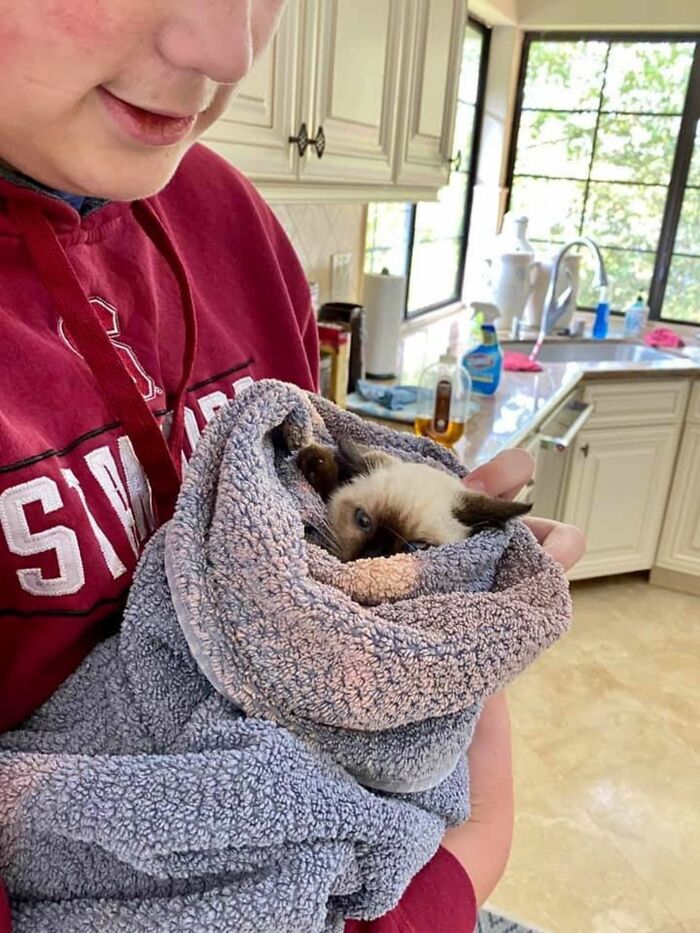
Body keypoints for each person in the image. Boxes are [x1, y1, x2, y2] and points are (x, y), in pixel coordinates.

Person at [0, 3, 585, 930]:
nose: (227, 49)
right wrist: (451, 879)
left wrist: (460, 607)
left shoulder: (231, 221)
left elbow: (316, 556)